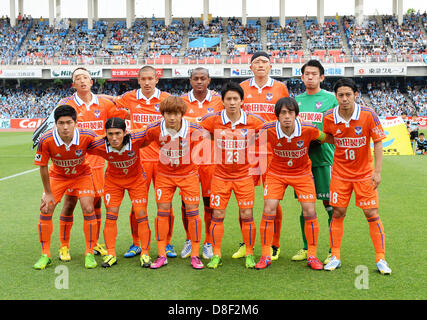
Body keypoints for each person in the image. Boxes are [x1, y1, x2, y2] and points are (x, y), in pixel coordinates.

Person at [54, 67, 128, 261]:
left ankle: (94, 243)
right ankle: (64, 246)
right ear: (73, 84)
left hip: (97, 165)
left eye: (85, 77)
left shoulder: (103, 104)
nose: (82, 81)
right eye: (77, 78)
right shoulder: (67, 105)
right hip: (74, 165)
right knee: (69, 203)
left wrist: (110, 97)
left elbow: (122, 116)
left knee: (96, 204)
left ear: (92, 82)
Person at [322, 78, 392, 274]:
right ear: (336, 97)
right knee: (338, 213)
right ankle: (335, 256)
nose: (344, 99)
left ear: (355, 95)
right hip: (340, 175)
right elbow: (327, 137)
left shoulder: (368, 114)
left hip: (364, 175)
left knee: (371, 214)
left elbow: (378, 142)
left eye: (348, 95)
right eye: (340, 95)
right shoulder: (328, 117)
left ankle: (381, 259)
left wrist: (377, 172)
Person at [254, 97, 332, 270]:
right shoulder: (268, 129)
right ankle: (265, 255)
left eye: (290, 112)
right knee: (269, 208)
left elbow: (326, 138)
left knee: (309, 210)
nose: (287, 116)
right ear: (277, 116)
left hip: (302, 173)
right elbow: (252, 139)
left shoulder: (309, 129)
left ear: (297, 114)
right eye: (283, 113)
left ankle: (312, 255)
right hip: (276, 173)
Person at [200, 82, 265, 269]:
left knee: (247, 214)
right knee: (217, 214)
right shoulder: (213, 120)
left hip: (244, 176)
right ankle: (216, 254)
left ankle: (250, 253)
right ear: (223, 101)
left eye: (236, 99)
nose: (232, 102)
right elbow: (203, 130)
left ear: (242, 101)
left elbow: (264, 136)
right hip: (220, 177)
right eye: (228, 99)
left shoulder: (254, 121)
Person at [114, 66, 176, 258]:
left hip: (163, 160)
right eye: (143, 79)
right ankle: (137, 243)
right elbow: (109, 104)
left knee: (165, 204)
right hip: (138, 160)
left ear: (157, 79)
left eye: (151, 78)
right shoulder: (127, 99)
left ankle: (166, 243)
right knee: (137, 205)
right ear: (138, 80)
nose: (147, 82)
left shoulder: (167, 99)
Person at [236, 51, 290, 261]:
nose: (260, 65)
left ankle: (274, 244)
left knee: (272, 200)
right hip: (247, 152)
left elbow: (287, 116)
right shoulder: (242, 88)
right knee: (243, 200)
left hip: (272, 152)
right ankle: (245, 242)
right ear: (250, 67)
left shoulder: (280, 88)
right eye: (256, 62)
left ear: (270, 66)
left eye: (264, 62)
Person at [142, 96, 206, 269]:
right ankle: (162, 254)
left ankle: (195, 254)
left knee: (193, 212)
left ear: (182, 114)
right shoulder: (154, 129)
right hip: (164, 175)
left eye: (176, 113)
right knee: (162, 211)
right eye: (168, 113)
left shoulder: (194, 129)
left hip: (188, 175)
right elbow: (140, 141)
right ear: (162, 114)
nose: (172, 117)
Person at [33, 105, 98, 270]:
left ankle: (89, 253)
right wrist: (47, 193)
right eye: (61, 123)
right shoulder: (46, 139)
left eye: (69, 122)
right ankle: (45, 254)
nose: (65, 127)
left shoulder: (88, 136)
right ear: (56, 124)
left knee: (88, 206)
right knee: (46, 208)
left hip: (81, 175)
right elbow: (42, 166)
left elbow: (105, 147)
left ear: (76, 122)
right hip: (58, 176)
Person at [87, 118, 151, 268]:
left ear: (125, 132)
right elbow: (81, 145)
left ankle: (145, 253)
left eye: (117, 133)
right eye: (110, 134)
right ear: (105, 134)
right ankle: (111, 253)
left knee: (141, 214)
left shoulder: (137, 138)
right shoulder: (99, 144)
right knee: (111, 215)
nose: (114, 138)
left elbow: (154, 129)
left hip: (137, 180)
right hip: (113, 182)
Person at [292, 60, 338, 264]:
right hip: (302, 161)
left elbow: (337, 129)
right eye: (306, 74)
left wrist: (317, 135)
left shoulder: (330, 99)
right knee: (306, 207)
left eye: (314, 74)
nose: (310, 77)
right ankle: (306, 248)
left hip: (324, 159)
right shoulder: (295, 101)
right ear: (301, 77)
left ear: (322, 77)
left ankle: (332, 250)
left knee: (330, 206)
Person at [180, 67, 224, 260]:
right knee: (186, 202)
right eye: (195, 78)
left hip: (210, 158)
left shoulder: (218, 101)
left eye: (203, 78)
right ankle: (190, 238)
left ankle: (207, 241)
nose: (199, 81)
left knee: (208, 201)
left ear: (209, 80)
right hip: (186, 159)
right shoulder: (181, 101)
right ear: (190, 80)